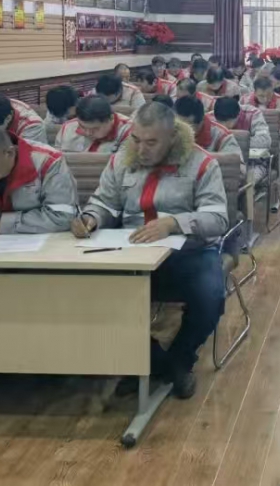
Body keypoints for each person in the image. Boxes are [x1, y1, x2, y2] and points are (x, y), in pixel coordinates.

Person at [71, 102, 228, 398]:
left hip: (188, 253)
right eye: (136, 139)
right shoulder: (121, 160)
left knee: (210, 296)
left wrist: (174, 223)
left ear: (172, 137)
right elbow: (104, 202)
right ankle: (154, 362)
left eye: (151, 142)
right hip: (130, 250)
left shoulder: (202, 163)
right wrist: (92, 218)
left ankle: (181, 358)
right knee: (91, 292)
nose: (141, 149)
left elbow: (217, 218)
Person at [174, 95, 243, 163]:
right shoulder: (170, 130)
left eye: (185, 126)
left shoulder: (221, 136)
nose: (179, 130)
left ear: (201, 122)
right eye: (176, 125)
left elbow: (238, 161)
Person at [55, 95, 133, 154]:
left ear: (111, 119)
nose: (88, 133)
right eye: (82, 127)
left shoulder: (130, 132)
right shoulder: (68, 128)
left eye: (95, 129)